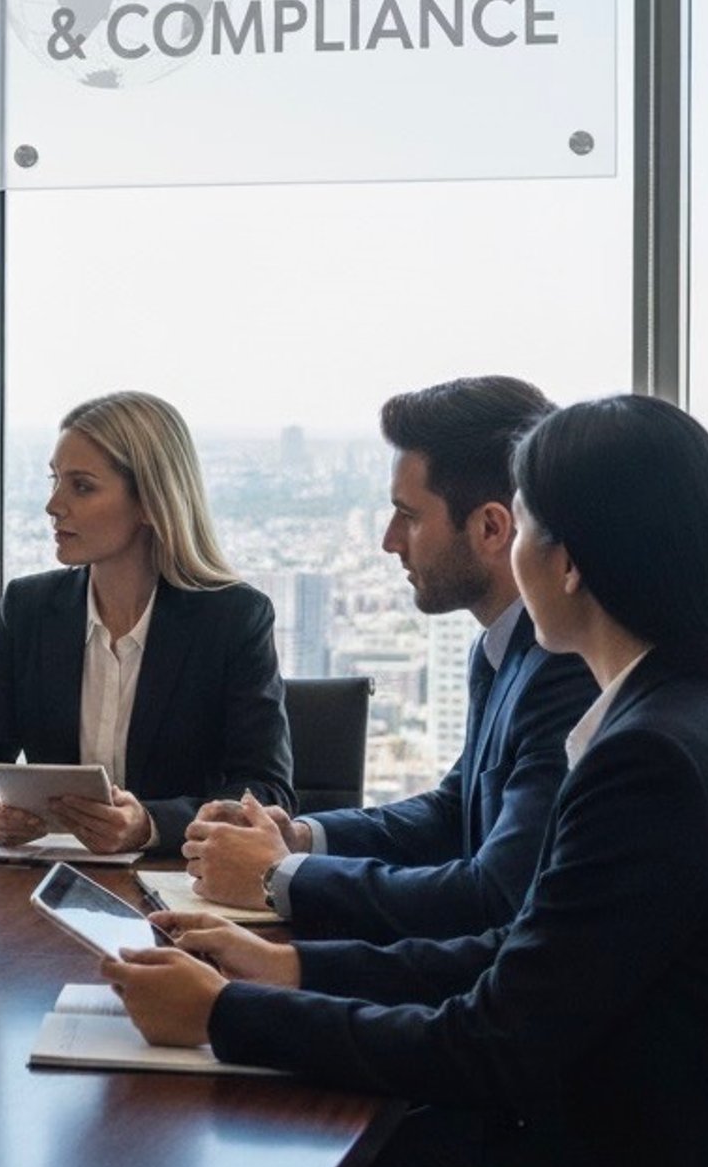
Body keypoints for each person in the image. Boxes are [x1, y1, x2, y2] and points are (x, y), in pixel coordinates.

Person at [103, 395, 708, 1167]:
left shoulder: (651, 761)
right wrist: (291, 966)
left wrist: (228, 1015)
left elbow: (494, 1040)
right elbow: (526, 953)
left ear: (568, 561)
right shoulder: (700, 720)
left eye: (527, 518)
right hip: (614, 1163)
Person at [181, 377, 598, 940]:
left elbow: (497, 895)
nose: (389, 540)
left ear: (492, 528)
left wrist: (278, 876)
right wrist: (301, 838)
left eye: (410, 515)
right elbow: (455, 813)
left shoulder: (566, 669)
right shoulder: (502, 646)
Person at [0, 391, 293, 857]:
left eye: (81, 486)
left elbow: (267, 792)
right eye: (55, 481)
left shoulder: (232, 618)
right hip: (40, 887)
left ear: (149, 502)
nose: (53, 505)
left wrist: (150, 825)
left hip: (178, 893)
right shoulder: (30, 608)